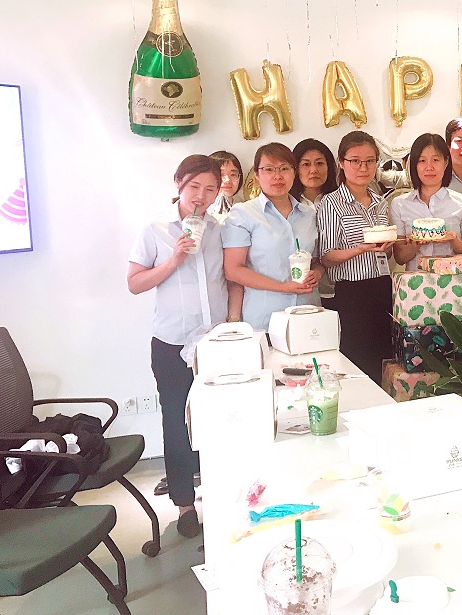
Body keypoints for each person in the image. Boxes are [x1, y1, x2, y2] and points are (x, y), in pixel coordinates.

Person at [127, 155, 241, 538]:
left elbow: (231, 278)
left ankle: (225, 497)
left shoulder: (221, 228)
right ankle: (184, 505)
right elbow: (135, 283)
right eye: (195, 187)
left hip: (215, 342)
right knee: (177, 422)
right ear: (179, 183)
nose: (201, 196)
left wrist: (232, 322)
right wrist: (173, 260)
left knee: (223, 419)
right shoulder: (155, 230)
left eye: (210, 189)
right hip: (172, 343)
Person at [318, 131, 395, 384]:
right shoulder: (331, 203)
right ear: (341, 162)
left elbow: (385, 253)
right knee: (358, 366)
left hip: (383, 288)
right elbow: (327, 257)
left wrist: (386, 247)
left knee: (386, 361)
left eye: (370, 161)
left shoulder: (380, 202)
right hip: (351, 294)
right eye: (355, 161)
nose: (363, 168)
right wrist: (360, 249)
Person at [222, 143, 323, 330]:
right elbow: (233, 270)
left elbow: (316, 261)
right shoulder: (243, 213)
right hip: (266, 318)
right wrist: (283, 287)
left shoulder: (308, 214)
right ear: (257, 174)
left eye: (284, 168)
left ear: (294, 172)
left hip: (309, 313)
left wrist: (317, 273)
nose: (278, 176)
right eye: (269, 169)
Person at [392, 133, 462, 271]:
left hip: (453, 279)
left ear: (446, 162)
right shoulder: (399, 204)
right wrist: (415, 245)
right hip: (416, 280)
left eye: (435, 160)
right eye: (422, 161)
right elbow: (400, 258)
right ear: (414, 165)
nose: (429, 167)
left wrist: (452, 239)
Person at [292, 138, 339, 300]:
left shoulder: (340, 201)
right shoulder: (288, 204)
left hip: (339, 284)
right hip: (302, 287)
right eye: (305, 164)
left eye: (319, 163)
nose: (313, 170)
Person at [206, 150, 244, 220]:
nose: (228, 180)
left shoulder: (245, 209)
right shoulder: (198, 210)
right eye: (221, 174)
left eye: (233, 174)